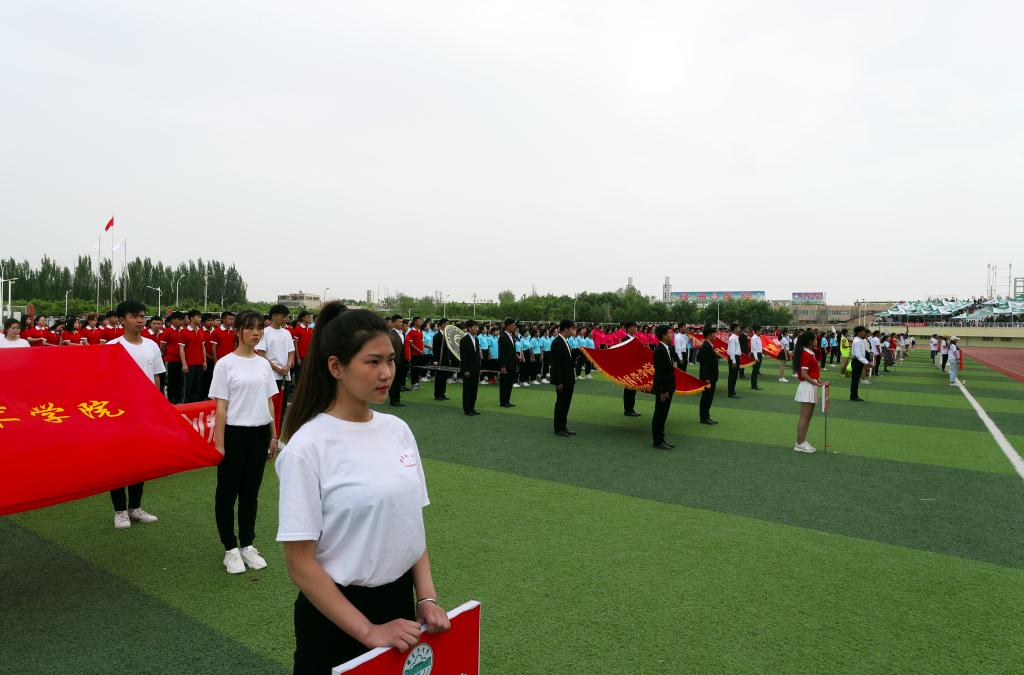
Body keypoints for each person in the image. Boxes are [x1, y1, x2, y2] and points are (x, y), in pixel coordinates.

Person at [276, 304, 450, 673]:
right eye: (372, 362)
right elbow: (299, 563)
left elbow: (410, 526)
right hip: (334, 616)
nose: (386, 372)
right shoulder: (307, 447)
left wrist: (426, 598)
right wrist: (368, 630)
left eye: (390, 360)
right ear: (336, 367)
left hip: (399, 604)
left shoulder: (398, 430)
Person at [209, 310, 280, 575]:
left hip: (259, 434)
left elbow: (269, 401)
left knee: (250, 494)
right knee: (227, 494)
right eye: (250, 328)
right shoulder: (225, 364)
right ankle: (230, 548)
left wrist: (273, 435)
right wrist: (220, 444)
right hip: (234, 435)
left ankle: (247, 544)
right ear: (237, 330)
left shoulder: (263, 364)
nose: (256, 333)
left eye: (260, 328)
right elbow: (220, 408)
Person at [107, 300, 165, 529]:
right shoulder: (113, 346)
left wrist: (157, 405)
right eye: (135, 316)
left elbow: (157, 376)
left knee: (140, 461)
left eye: (142, 316)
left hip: (145, 412)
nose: (140, 320)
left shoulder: (151, 346)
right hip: (119, 414)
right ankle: (120, 510)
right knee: (118, 462)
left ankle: (135, 507)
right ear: (122, 320)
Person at [256, 305, 297, 431]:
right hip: (271, 376)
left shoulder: (287, 333)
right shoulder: (265, 333)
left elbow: (291, 352)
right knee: (270, 407)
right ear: (273, 316)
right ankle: (269, 434)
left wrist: (288, 366)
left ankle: (278, 435)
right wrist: (277, 369)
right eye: (282, 316)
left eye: (286, 317)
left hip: (285, 376)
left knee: (282, 408)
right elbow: (261, 354)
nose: (285, 319)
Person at [793, 330, 827, 453]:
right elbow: (804, 374)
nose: (817, 341)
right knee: (804, 416)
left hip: (810, 385)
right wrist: (817, 383)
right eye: (815, 339)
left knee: (808, 416)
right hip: (807, 386)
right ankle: (799, 443)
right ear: (810, 341)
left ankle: (802, 440)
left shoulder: (808, 353)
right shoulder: (806, 354)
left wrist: (819, 381)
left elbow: (812, 373)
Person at [550, 319, 577, 437]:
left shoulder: (565, 341)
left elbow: (568, 359)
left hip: (569, 378)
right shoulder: (557, 342)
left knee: (566, 404)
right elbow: (555, 365)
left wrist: (579, 351)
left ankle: (563, 426)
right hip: (562, 380)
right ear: (566, 329)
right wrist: (558, 382)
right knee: (561, 404)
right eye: (572, 328)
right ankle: (558, 428)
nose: (573, 331)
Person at [651, 325, 676, 449]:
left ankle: (661, 437)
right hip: (663, 389)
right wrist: (663, 390)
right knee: (660, 414)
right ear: (663, 336)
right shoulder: (660, 350)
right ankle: (657, 440)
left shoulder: (667, 348)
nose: (672, 335)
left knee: (663, 413)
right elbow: (660, 373)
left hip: (668, 387)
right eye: (670, 333)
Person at [178, 310, 208, 403]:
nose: (200, 319)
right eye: (198, 317)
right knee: (188, 387)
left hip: (199, 363)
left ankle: (196, 406)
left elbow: (203, 347)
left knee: (198, 387)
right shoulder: (183, 332)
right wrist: (184, 364)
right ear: (191, 318)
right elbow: (181, 349)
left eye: (200, 317)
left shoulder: (201, 331)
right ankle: (185, 405)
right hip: (189, 364)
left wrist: (204, 361)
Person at [696, 325, 719, 425]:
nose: (716, 336)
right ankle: (704, 417)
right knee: (706, 398)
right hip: (708, 378)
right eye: (714, 334)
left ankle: (707, 416)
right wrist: (706, 378)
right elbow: (704, 364)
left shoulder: (709, 346)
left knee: (709, 398)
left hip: (711, 376)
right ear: (709, 335)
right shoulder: (706, 347)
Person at [458, 320, 481, 416]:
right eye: (475, 327)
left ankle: (472, 407)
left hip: (475, 369)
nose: (477, 329)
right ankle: (467, 409)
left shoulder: (476, 339)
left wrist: (479, 368)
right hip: (468, 369)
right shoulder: (464, 340)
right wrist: (465, 370)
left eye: (477, 327)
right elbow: (463, 357)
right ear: (469, 328)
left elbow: (477, 356)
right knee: (467, 389)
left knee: (474, 390)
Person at [622, 322, 641, 417]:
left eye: (636, 327)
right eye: (634, 327)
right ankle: (628, 409)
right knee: (629, 390)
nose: (635, 329)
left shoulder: (634, 338)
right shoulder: (625, 340)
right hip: (629, 368)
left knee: (633, 389)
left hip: (635, 368)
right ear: (629, 329)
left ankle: (631, 408)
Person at [498, 318, 518, 408]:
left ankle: (507, 400)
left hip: (512, 364)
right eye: (513, 325)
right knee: (504, 384)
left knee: (509, 383)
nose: (515, 327)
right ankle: (503, 401)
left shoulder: (512, 336)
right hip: (506, 365)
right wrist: (503, 366)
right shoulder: (503, 337)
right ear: (508, 326)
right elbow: (501, 353)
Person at [387, 315, 407, 406]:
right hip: (394, 361)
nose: (401, 323)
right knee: (394, 381)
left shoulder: (402, 333)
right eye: (399, 322)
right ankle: (394, 400)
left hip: (401, 361)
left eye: (401, 322)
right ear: (393, 322)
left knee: (398, 380)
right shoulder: (391, 334)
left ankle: (397, 398)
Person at [431, 318, 452, 402]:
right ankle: (437, 395)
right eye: (447, 323)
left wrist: (449, 358)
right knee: (439, 378)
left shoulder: (447, 335)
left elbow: (449, 349)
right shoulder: (436, 336)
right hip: (439, 360)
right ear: (442, 324)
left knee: (444, 377)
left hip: (446, 359)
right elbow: (435, 349)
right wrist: (435, 360)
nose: (448, 325)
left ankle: (442, 394)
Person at [849, 326, 870, 402]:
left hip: (859, 361)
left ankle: (854, 395)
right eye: (863, 331)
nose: (865, 333)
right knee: (855, 379)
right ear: (859, 332)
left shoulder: (859, 340)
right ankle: (853, 396)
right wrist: (867, 362)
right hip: (857, 361)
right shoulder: (857, 341)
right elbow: (858, 355)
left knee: (856, 379)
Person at [726, 323, 742, 398]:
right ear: (735, 329)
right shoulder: (732, 338)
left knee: (734, 375)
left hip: (736, 357)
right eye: (738, 328)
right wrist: (734, 361)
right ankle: (731, 392)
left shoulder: (735, 337)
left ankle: (732, 391)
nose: (739, 329)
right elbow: (732, 351)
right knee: (732, 375)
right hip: (734, 358)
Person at [749, 325, 764, 390]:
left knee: (756, 370)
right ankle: (754, 385)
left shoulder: (758, 337)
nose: (761, 331)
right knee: (755, 371)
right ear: (757, 331)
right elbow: (754, 348)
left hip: (759, 354)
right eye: (761, 330)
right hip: (756, 355)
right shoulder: (754, 338)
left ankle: (754, 384)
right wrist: (756, 358)